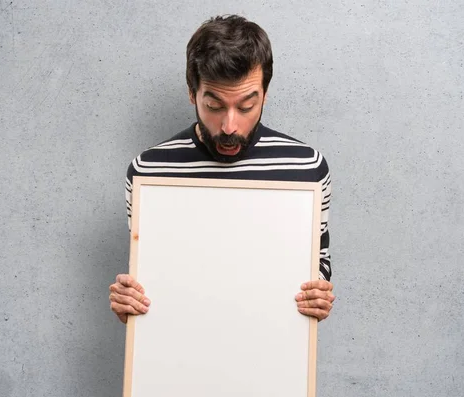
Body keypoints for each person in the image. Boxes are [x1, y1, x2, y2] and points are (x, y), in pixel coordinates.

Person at [109, 14, 336, 323]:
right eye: (214, 106)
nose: (230, 126)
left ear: (265, 95)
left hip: (271, 357)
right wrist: (131, 302)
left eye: (246, 107)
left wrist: (318, 294)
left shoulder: (306, 167)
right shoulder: (148, 172)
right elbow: (152, 279)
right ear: (192, 93)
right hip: (177, 359)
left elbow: (319, 263)